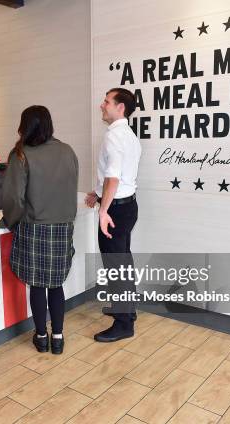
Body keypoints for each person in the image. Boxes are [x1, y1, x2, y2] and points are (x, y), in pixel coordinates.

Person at [2, 105, 78, 355]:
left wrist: (11, 222)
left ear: (25, 125)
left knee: (37, 285)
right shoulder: (67, 151)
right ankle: (58, 338)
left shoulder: (21, 154)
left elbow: (14, 199)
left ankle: (41, 336)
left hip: (34, 228)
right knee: (56, 284)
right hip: (63, 227)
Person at [85, 88, 141, 343]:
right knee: (123, 262)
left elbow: (114, 177)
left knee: (116, 266)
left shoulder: (114, 137)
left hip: (116, 209)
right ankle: (127, 311)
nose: (101, 105)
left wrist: (103, 210)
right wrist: (97, 194)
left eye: (106, 102)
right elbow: (115, 177)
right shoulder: (128, 135)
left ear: (120, 108)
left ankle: (123, 324)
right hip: (127, 206)